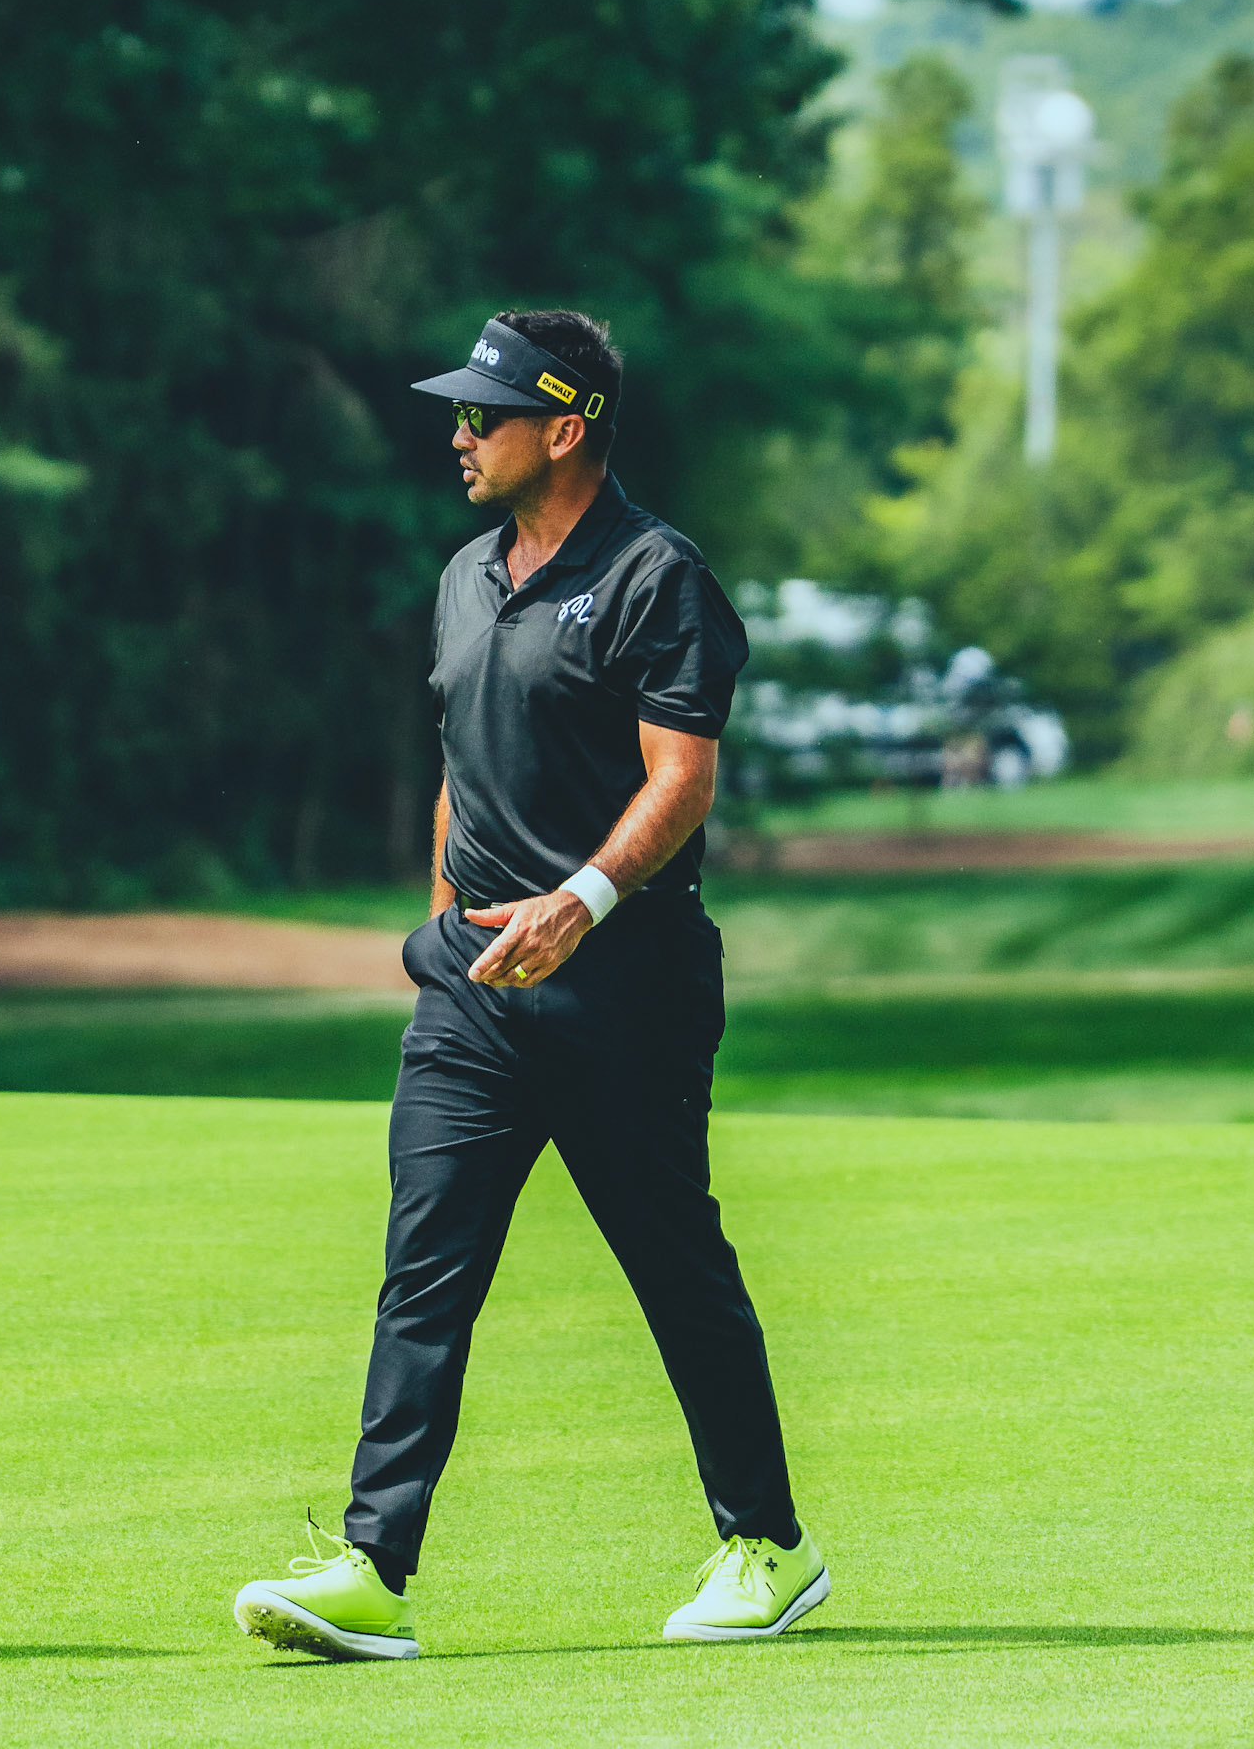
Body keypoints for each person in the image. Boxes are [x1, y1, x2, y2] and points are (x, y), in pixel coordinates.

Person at [235, 312, 826, 1661]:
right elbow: (463, 764)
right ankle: (373, 1568)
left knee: (673, 1266)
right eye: (458, 413)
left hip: (627, 986)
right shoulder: (464, 576)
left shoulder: (656, 576)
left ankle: (768, 1546)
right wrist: (443, 931)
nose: (458, 436)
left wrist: (580, 900)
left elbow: (681, 778)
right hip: (473, 996)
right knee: (423, 1275)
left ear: (565, 428)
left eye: (483, 416)